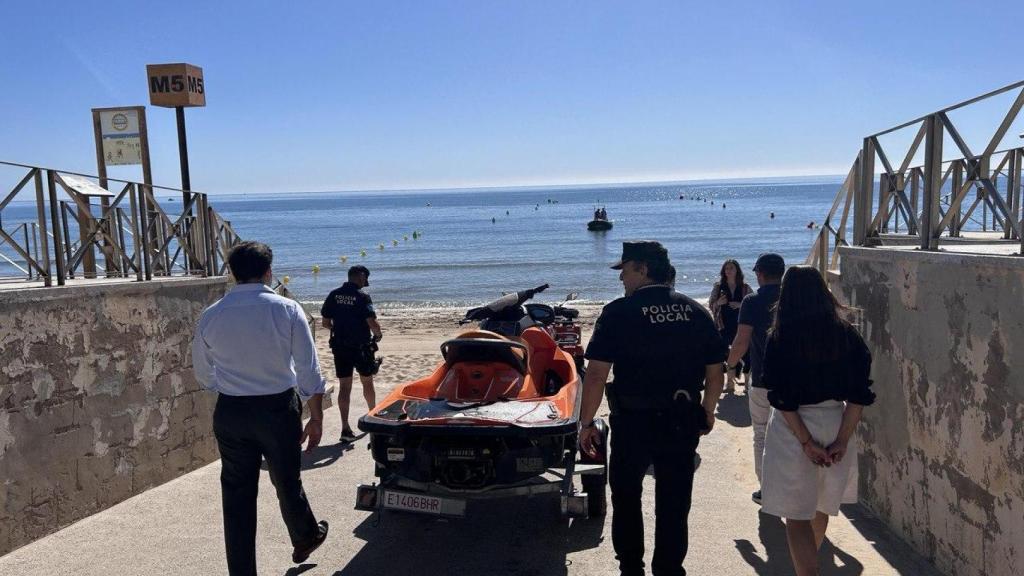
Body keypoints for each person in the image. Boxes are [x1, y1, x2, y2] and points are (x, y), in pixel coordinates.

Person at [579, 240, 727, 576]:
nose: (622, 279)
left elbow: (597, 375)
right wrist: (708, 409)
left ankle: (631, 568)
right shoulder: (695, 311)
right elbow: (715, 372)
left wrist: (586, 423)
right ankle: (669, 569)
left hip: (633, 422)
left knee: (627, 496)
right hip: (681, 418)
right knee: (674, 502)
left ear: (643, 269)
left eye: (626, 270)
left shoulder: (619, 312)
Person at [192, 241, 329, 575]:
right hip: (276, 409)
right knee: (286, 478)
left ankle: (244, 571)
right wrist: (316, 417)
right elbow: (308, 369)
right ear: (268, 271)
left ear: (232, 274)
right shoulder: (286, 309)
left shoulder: (211, 315)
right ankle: (304, 535)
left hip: (232, 411)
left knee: (236, 494)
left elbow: (202, 372)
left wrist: (225, 385)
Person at [759, 266, 875, 576]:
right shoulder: (848, 335)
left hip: (793, 427)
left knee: (796, 515)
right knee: (820, 506)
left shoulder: (781, 337)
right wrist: (842, 439)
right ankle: (808, 569)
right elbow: (860, 395)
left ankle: (807, 572)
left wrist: (806, 443)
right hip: (836, 418)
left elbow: (781, 398)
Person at [725, 252, 784, 505]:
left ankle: (767, 490)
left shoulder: (752, 301)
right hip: (792, 380)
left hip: (761, 379)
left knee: (761, 434)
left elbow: (741, 340)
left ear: (759, 274)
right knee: (789, 435)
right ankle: (788, 485)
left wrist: (729, 364)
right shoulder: (793, 297)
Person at [321, 265, 383, 442]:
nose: (366, 282)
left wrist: (341, 329)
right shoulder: (362, 297)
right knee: (367, 382)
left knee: (345, 386)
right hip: (361, 347)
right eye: (365, 279)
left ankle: (345, 428)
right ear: (361, 276)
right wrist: (378, 335)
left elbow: (325, 323)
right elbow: (372, 322)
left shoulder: (334, 294)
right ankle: (373, 416)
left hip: (340, 346)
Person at [708, 259, 752, 392]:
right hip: (723, 325)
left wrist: (740, 305)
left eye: (731, 268)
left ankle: (746, 384)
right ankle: (730, 383)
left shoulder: (745, 287)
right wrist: (718, 303)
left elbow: (752, 304)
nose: (728, 271)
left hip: (741, 325)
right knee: (726, 353)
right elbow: (711, 305)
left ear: (737, 270)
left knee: (747, 353)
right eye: (726, 268)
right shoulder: (718, 286)